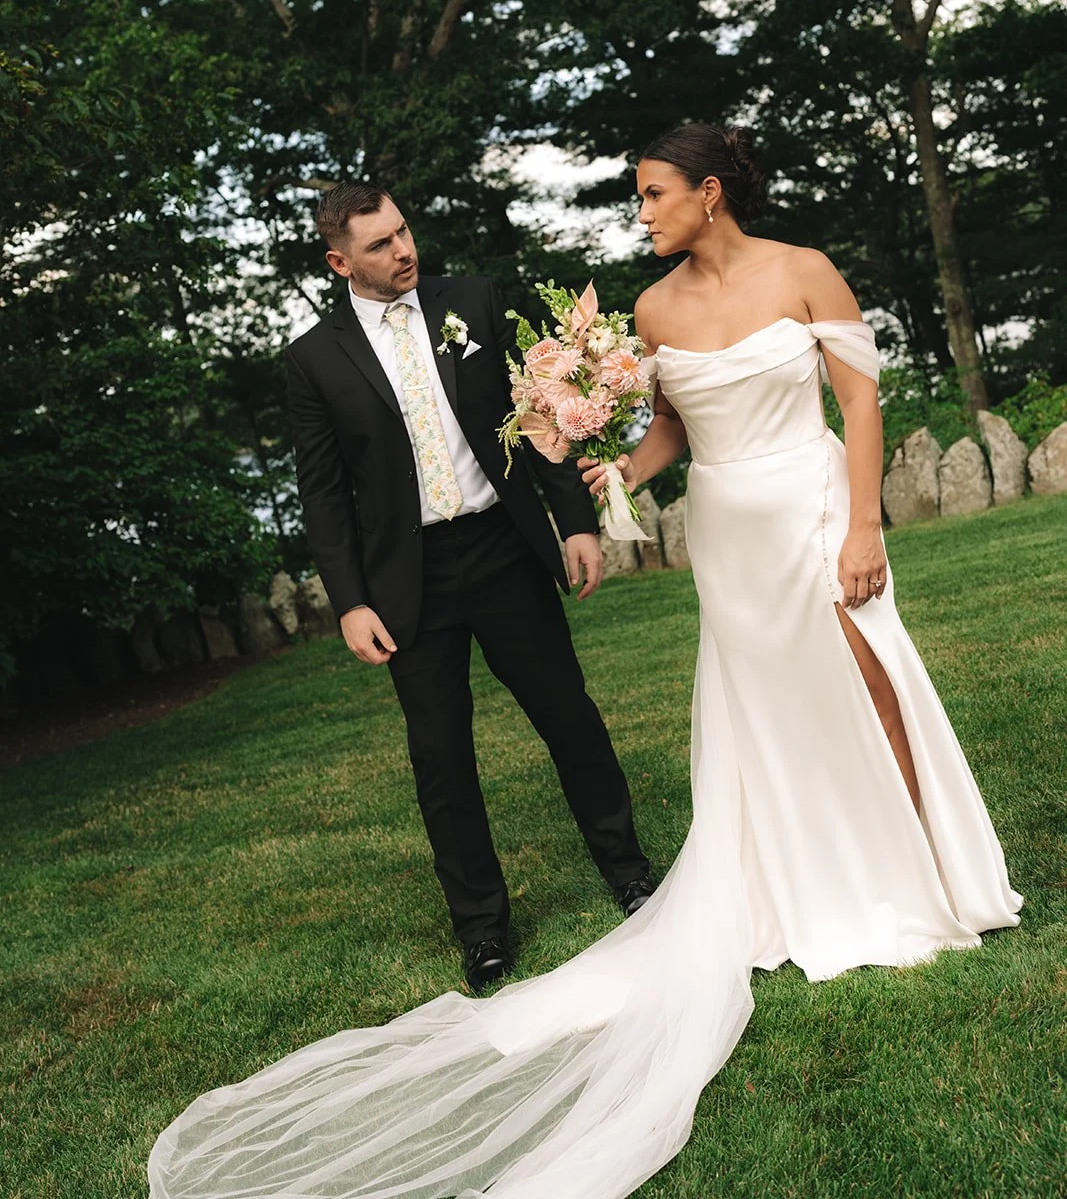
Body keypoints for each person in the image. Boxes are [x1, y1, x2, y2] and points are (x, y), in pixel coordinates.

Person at [148, 129, 1020, 1199]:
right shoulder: (639, 312)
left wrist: (859, 524)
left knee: (836, 678)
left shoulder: (796, 271)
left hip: (800, 512)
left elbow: (858, 400)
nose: (640, 212)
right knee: (734, 718)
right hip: (686, 543)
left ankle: (913, 867)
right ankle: (614, 912)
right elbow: (663, 429)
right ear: (341, 259)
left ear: (707, 194)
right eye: (380, 242)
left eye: (653, 195)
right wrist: (599, 471)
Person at [283, 182, 653, 994]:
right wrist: (349, 600)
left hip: (501, 549)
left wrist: (575, 525)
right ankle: (482, 930)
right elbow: (323, 494)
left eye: (404, 232)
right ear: (339, 261)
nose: (403, 250)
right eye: (379, 245)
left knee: (569, 717)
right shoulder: (314, 359)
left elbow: (540, 416)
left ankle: (628, 874)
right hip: (405, 580)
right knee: (442, 759)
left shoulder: (474, 302)